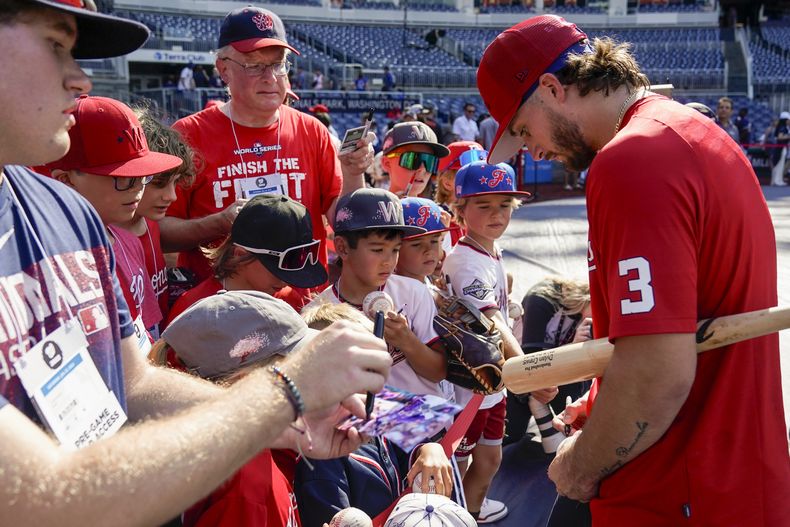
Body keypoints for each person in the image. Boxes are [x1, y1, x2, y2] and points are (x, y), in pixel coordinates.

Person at [0, 3, 391, 525]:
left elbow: (132, 384)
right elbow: (42, 498)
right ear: (223, 68)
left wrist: (287, 423)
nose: (81, 78)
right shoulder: (112, 187)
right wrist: (284, 393)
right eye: (55, 47)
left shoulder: (66, 211)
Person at [477, 14, 790, 525]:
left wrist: (580, 464)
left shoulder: (632, 161)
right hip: (730, 473)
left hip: (680, 486)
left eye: (522, 128)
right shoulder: (684, 131)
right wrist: (600, 404)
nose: (530, 149)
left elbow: (657, 373)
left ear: (553, 88)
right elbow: (664, 334)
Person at [164, 6, 374, 299]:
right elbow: (158, 233)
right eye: (254, 65)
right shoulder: (188, 135)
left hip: (304, 308)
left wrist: (353, 174)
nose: (270, 77)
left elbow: (345, 222)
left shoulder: (312, 130)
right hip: (219, 310)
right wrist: (218, 223)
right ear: (223, 68)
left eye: (278, 64)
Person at [294, 302, 456, 524]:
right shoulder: (318, 458)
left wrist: (429, 449)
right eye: (364, 364)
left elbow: (406, 449)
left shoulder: (372, 413)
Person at [442, 161, 536, 523]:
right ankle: (458, 515)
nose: (497, 214)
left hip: (490, 383)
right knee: (460, 463)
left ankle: (473, 511)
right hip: (471, 385)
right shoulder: (466, 261)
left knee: (490, 458)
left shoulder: (488, 249)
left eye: (504, 205)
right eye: (484, 206)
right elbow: (492, 321)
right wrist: (530, 372)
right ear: (460, 209)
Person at [47, 95, 181, 337]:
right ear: (66, 180)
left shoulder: (128, 240)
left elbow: (150, 334)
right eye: (123, 179)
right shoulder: (50, 264)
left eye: (144, 176)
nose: (138, 187)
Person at [308, 188, 453, 400]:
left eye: (395, 249)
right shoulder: (320, 314)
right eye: (377, 250)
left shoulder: (413, 292)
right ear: (343, 248)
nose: (389, 261)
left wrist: (407, 340)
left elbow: (439, 371)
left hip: (426, 425)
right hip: (365, 428)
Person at [166, 194, 328, 325]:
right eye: (277, 270)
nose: (286, 281)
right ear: (241, 254)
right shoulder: (193, 309)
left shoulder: (288, 299)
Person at [114, 105, 196, 324]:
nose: (172, 196)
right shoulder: (109, 238)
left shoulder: (150, 221)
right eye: (159, 183)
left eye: (176, 183)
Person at [504, 276, 593, 446]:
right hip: (519, 377)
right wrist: (572, 349)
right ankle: (539, 413)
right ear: (593, 296)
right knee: (511, 434)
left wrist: (578, 352)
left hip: (552, 378)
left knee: (574, 422)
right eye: (604, 309)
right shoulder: (542, 299)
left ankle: (550, 424)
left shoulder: (586, 318)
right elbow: (531, 362)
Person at [380, 121, 449, 198]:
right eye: (412, 159)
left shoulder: (435, 210)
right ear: (387, 163)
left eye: (430, 162)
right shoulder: (370, 209)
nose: (422, 169)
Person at [771, 111, 789, 187]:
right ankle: (777, 180)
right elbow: (780, 137)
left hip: (781, 148)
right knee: (779, 164)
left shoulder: (781, 127)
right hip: (780, 148)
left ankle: (778, 180)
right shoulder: (783, 127)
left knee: (780, 164)